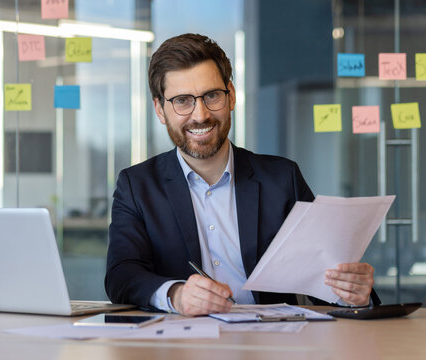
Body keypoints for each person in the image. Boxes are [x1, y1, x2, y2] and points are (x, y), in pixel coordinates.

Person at [105, 33, 377, 316]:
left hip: (273, 343)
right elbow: (121, 275)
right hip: (181, 344)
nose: (200, 115)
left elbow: (327, 278)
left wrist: (352, 294)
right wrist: (177, 295)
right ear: (160, 110)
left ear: (231, 96)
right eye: (183, 101)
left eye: (212, 96)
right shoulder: (136, 186)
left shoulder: (282, 179)